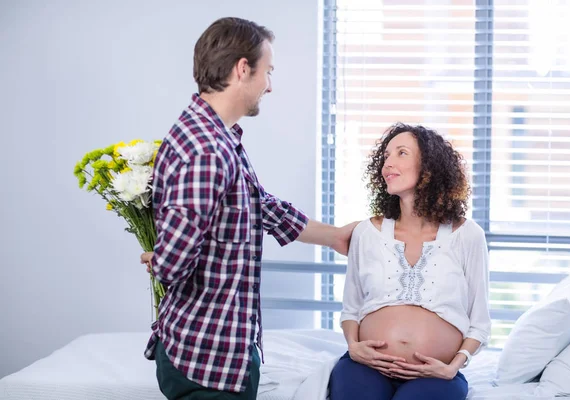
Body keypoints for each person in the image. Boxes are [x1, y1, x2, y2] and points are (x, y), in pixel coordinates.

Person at [141, 17, 358, 400]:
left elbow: (261, 206)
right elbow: (172, 267)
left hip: (223, 355)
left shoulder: (216, 137)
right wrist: (158, 259)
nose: (269, 86)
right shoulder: (207, 150)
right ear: (243, 69)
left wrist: (335, 236)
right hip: (207, 361)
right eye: (267, 72)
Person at [329, 123, 491, 400]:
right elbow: (351, 308)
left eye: (401, 153)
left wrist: (453, 367)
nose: (387, 164)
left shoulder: (468, 235)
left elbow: (480, 322)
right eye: (386, 156)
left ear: (429, 167)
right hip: (366, 366)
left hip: (435, 374)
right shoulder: (367, 233)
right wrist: (354, 347)